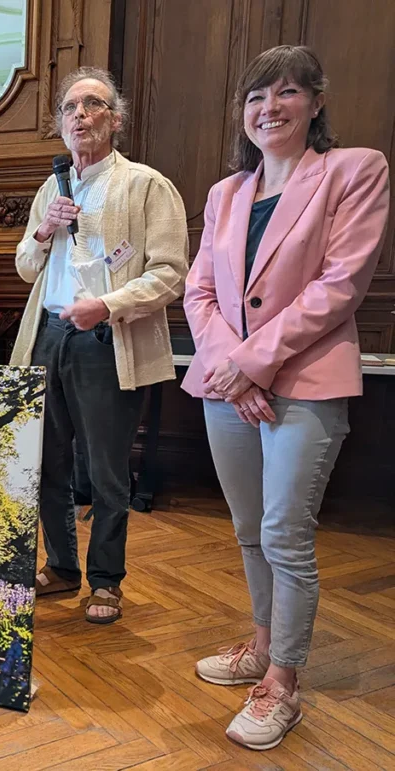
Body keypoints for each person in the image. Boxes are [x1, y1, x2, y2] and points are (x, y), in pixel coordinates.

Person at [183, 46, 390, 751]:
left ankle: (283, 684)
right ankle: (262, 642)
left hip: (305, 380)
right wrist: (229, 368)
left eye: (287, 92)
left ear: (315, 102)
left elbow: (339, 286)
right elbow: (200, 291)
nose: (269, 107)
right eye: (256, 97)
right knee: (247, 531)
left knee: (284, 535)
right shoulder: (224, 194)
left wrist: (251, 366)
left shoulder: (354, 170)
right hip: (225, 386)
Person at [8, 67, 188, 624]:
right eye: (69, 108)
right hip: (49, 336)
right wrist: (43, 232)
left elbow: (170, 273)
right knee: (48, 462)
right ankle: (62, 568)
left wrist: (106, 306)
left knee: (107, 469)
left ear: (115, 119)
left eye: (92, 105)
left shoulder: (145, 185)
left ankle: (106, 580)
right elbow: (23, 267)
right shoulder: (51, 187)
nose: (79, 115)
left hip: (106, 338)